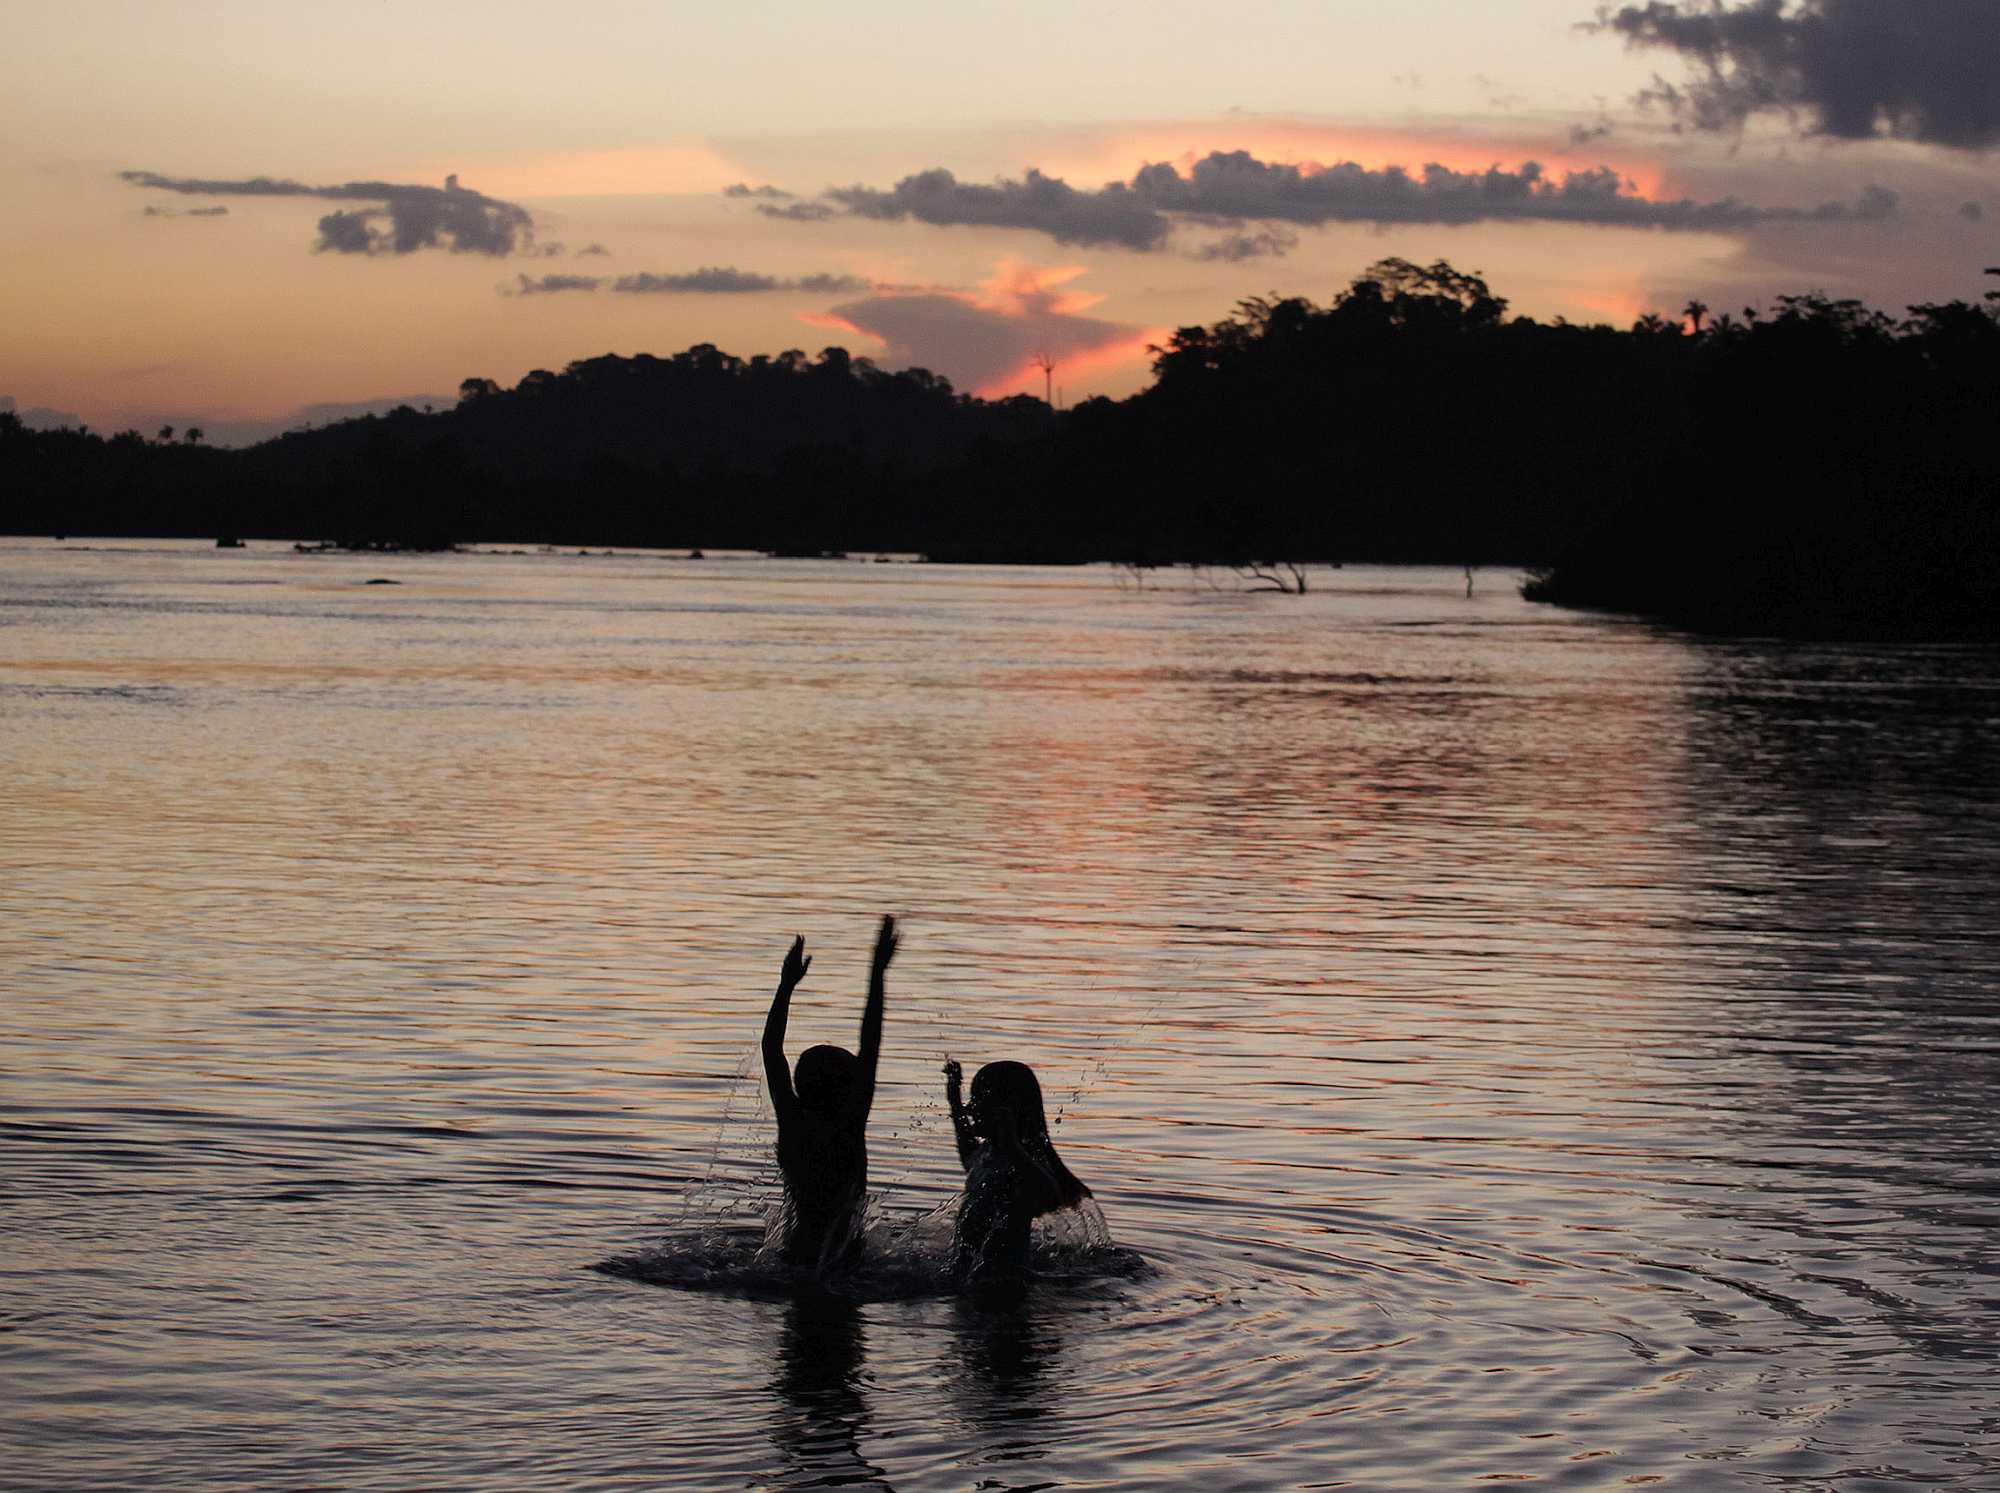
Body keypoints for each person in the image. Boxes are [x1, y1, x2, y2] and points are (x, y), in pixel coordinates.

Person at [761, 915, 898, 1274]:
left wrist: (786, 986)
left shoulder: (793, 1122)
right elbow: (871, 1042)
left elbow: (771, 1051)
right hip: (846, 1265)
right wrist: (877, 971)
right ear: (847, 1088)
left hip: (793, 1258)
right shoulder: (848, 1126)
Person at [943, 1058, 1090, 1289]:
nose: (970, 1108)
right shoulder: (990, 1154)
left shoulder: (1020, 1164)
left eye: (978, 1100)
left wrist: (1013, 1148)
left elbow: (1049, 1195)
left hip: (1004, 1285)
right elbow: (968, 1156)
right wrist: (953, 1101)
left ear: (1006, 1110)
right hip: (975, 1278)